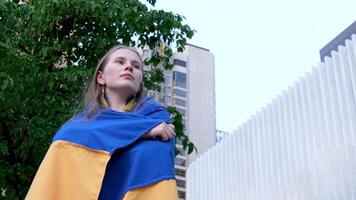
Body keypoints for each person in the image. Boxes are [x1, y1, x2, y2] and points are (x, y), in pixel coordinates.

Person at [26, 45, 178, 200]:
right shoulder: (75, 129)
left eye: (136, 66)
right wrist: (143, 130)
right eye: (120, 62)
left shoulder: (157, 119)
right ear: (101, 77)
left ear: (139, 84)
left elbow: (158, 169)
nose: (128, 67)